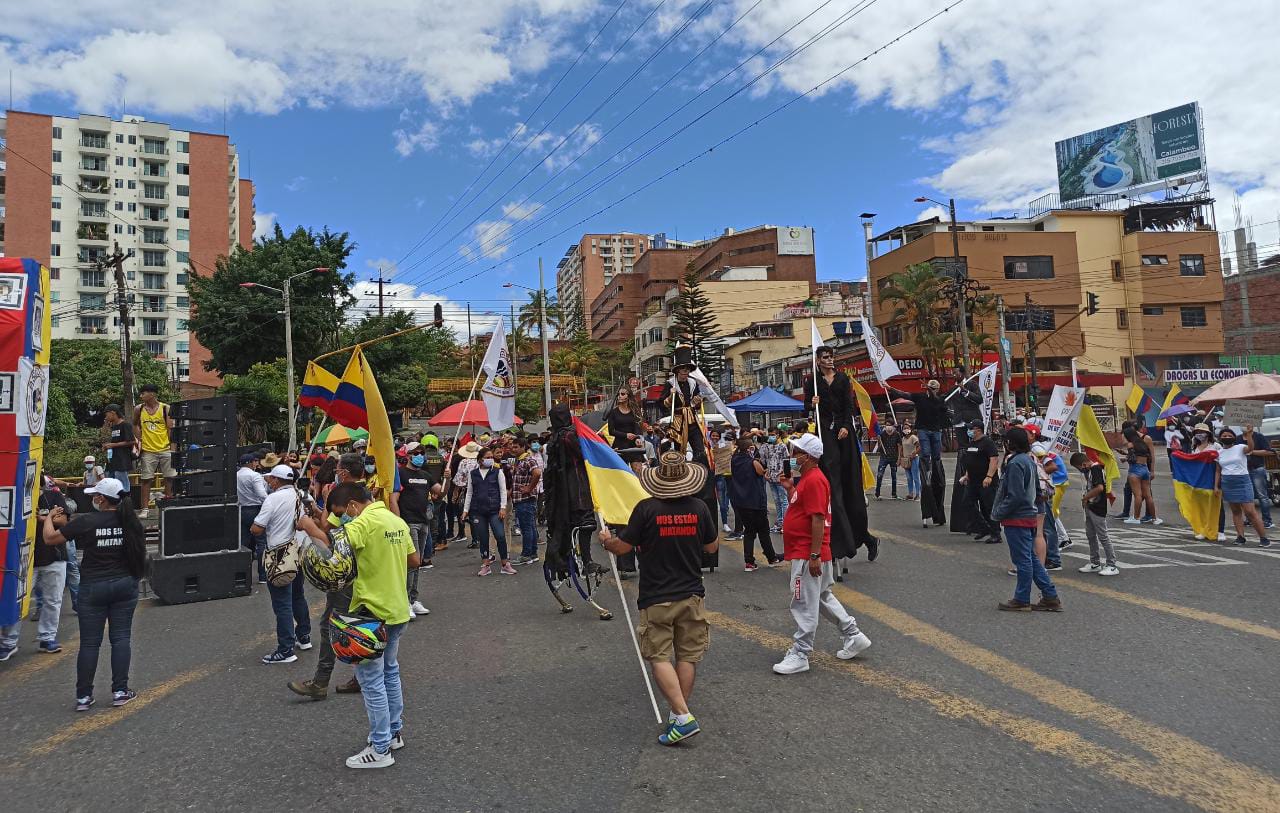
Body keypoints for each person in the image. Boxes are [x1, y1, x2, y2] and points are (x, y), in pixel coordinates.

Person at [598, 451, 718, 745]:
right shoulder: (700, 508)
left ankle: (683, 716)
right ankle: (680, 716)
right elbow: (712, 547)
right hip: (692, 593)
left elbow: (623, 548)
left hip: (656, 596)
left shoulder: (646, 509)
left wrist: (606, 540)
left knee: (658, 655)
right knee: (687, 656)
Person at [326, 482, 418, 769]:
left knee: (371, 681)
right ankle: (393, 733)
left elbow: (332, 551)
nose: (344, 518)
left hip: (372, 613)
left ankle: (380, 749)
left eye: (343, 512)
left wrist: (309, 525)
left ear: (353, 505)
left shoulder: (363, 523)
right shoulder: (394, 519)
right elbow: (414, 560)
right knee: (389, 672)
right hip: (398, 609)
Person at [41, 478, 147, 710]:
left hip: (92, 587)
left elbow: (50, 538)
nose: (92, 498)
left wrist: (49, 518)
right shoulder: (130, 521)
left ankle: (83, 697)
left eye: (94, 495)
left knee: (89, 643)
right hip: (124, 585)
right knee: (120, 639)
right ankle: (120, 691)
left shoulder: (87, 521)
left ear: (101, 499)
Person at [772, 433, 872, 675]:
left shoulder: (815, 480)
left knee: (803, 602)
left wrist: (814, 555)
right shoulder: (807, 479)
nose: (792, 456)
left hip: (808, 552)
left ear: (807, 457)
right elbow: (802, 509)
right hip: (808, 551)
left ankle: (801, 652)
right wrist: (789, 488)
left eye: (796, 452)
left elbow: (818, 518)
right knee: (822, 597)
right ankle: (852, 634)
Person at [803, 345, 878, 561]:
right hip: (824, 433)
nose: (829, 360)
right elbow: (805, 407)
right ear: (818, 360)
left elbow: (848, 407)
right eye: (825, 357)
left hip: (844, 434)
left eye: (831, 357)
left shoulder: (843, 379)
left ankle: (866, 538)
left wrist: (846, 426)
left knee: (849, 488)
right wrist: (811, 403)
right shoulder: (812, 382)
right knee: (831, 488)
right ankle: (837, 542)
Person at [992, 428, 1061, 612]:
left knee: (1022, 560)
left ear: (1011, 443)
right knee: (1031, 558)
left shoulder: (1015, 463)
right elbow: (1037, 489)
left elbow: (1015, 495)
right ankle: (1050, 595)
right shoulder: (1029, 460)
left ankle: (1022, 598)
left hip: (1017, 517)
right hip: (1029, 514)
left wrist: (999, 512)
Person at [251, 465, 312, 664]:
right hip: (298, 550)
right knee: (298, 596)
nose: (269, 482)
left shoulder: (273, 498)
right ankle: (304, 636)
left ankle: (286, 649)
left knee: (282, 604)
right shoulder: (298, 494)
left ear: (277, 480)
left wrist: (253, 527)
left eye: (270, 479)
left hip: (279, 555)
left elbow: (257, 528)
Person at [887, 379, 952, 526]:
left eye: (936, 389)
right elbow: (905, 394)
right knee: (926, 454)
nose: (934, 391)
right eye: (932, 389)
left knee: (936, 455)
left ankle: (935, 466)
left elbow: (947, 404)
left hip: (936, 430)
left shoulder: (941, 400)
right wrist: (890, 388)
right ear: (928, 389)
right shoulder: (920, 397)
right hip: (923, 429)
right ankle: (927, 467)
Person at [729, 436, 781, 571]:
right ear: (749, 449)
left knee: (749, 532)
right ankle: (772, 557)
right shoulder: (752, 462)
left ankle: (749, 562)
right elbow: (761, 472)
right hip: (756, 502)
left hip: (740, 502)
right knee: (763, 531)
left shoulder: (734, 460)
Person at [1216, 426, 1272, 548]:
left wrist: (1249, 435)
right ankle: (1240, 537)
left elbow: (1251, 448)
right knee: (1236, 511)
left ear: (1234, 438)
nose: (1227, 437)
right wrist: (1216, 486)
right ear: (1220, 438)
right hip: (1227, 482)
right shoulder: (1219, 452)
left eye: (1229, 435)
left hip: (1242, 481)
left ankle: (1263, 538)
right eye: (1224, 436)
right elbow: (1218, 470)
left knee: (1250, 511)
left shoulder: (1240, 448)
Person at [463, 447, 515, 576]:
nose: (490, 459)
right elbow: (469, 493)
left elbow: (503, 491)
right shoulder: (473, 473)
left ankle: (505, 564)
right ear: (480, 459)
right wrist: (465, 510)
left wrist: (502, 507)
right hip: (477, 510)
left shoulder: (498, 472)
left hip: (494, 510)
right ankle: (486, 565)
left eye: (491, 457)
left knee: (500, 535)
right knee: (483, 538)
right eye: (487, 457)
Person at [397, 445, 434, 618]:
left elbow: (440, 492)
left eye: (422, 453)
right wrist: (397, 521)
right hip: (408, 522)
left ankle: (412, 599)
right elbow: (394, 499)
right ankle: (405, 601)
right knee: (412, 562)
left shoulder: (426, 475)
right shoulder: (401, 473)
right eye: (416, 453)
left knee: (417, 562)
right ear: (409, 455)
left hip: (423, 522)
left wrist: (448, 479)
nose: (419, 456)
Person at [1071, 452, 1119, 575]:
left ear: (1083, 464)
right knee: (1090, 535)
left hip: (1098, 507)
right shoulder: (1090, 471)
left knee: (1103, 535)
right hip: (1090, 507)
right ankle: (1095, 562)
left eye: (1079, 468)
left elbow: (1099, 488)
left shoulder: (1096, 469)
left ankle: (1111, 564)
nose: (1080, 470)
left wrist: (1085, 498)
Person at [133, 383, 175, 516]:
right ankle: (145, 509)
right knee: (146, 479)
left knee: (169, 478)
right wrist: (139, 439)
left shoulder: (165, 408)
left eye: (143, 393)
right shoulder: (139, 409)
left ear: (152, 394)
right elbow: (135, 424)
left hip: (165, 448)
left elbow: (170, 429)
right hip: (148, 450)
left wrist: (172, 448)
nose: (141, 396)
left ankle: (168, 505)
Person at [958, 420, 1001, 543]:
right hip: (973, 480)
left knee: (988, 506)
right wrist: (966, 475)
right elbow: (970, 461)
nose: (969, 431)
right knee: (967, 503)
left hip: (986, 481)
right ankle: (983, 527)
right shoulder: (971, 443)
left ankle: (996, 533)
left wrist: (989, 476)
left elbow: (994, 460)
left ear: (978, 429)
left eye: (971, 429)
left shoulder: (987, 442)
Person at [237, 454, 269, 581]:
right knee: (261, 542)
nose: (256, 464)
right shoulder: (254, 475)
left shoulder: (236, 475)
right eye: (255, 462)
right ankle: (262, 575)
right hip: (255, 510)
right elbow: (261, 495)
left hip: (241, 510)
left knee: (243, 543)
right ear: (250, 463)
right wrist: (270, 504)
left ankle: (242, 576)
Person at [510, 436, 542, 565]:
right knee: (530, 527)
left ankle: (526, 554)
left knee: (526, 528)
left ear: (523, 447)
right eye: (513, 446)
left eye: (516, 447)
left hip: (526, 499)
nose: (514, 449)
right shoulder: (519, 461)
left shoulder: (528, 460)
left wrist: (529, 488)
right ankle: (533, 553)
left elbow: (537, 473)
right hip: (520, 499)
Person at [1120, 426, 1162, 525]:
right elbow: (1144, 456)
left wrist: (1125, 458)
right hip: (1145, 469)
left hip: (1135, 470)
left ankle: (1136, 517)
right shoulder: (1142, 443)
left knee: (1138, 495)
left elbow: (1132, 459)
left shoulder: (1131, 444)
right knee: (1148, 495)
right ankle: (1155, 518)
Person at [605, 387, 648, 474]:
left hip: (633, 446)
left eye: (623, 394)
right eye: (619, 394)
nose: (620, 396)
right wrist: (626, 435)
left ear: (628, 396)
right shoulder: (613, 412)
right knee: (622, 475)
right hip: (619, 446)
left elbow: (637, 427)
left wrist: (637, 438)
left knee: (638, 472)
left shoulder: (634, 411)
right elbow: (611, 431)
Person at [757, 426, 791, 531]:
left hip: (780, 478)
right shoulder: (768, 447)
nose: (771, 437)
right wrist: (766, 471)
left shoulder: (782, 446)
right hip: (771, 478)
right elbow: (764, 460)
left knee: (783, 500)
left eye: (773, 435)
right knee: (776, 501)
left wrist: (784, 474)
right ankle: (780, 522)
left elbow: (787, 461)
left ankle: (786, 523)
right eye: (770, 435)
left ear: (778, 435)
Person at [451, 441, 482, 548]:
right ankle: (480, 537)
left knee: (469, 514)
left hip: (468, 491)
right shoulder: (481, 462)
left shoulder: (464, 462)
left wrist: (455, 493)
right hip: (481, 491)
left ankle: (475, 539)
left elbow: (459, 480)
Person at [1245, 425, 1275, 529]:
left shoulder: (1259, 436)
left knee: (1262, 496)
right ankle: (1249, 520)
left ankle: (1267, 520)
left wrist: (1251, 451)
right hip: (1244, 471)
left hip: (1257, 469)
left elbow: (1268, 451)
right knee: (1247, 497)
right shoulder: (1238, 438)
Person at [101, 404, 135, 493]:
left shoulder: (125, 425)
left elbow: (131, 441)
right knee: (110, 481)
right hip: (113, 459)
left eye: (107, 414)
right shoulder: (113, 427)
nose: (106, 417)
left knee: (122, 481)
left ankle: (126, 501)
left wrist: (113, 445)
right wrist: (107, 446)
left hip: (122, 459)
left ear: (113, 413)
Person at [873, 422, 901, 500]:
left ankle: (894, 494)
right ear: (885, 426)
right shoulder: (882, 434)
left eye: (890, 425)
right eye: (887, 425)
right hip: (884, 457)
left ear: (893, 426)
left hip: (893, 457)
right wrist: (879, 440)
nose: (888, 427)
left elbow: (899, 446)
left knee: (894, 476)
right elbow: (879, 447)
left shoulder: (897, 434)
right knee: (879, 475)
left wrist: (899, 458)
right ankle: (877, 493)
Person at [899, 422, 921, 501]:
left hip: (914, 459)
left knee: (915, 477)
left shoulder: (913, 437)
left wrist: (914, 454)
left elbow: (919, 447)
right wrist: (900, 457)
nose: (906, 429)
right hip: (906, 460)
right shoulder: (903, 438)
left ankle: (918, 494)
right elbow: (902, 449)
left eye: (907, 428)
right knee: (909, 478)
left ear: (910, 429)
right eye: (904, 428)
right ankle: (910, 493)